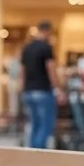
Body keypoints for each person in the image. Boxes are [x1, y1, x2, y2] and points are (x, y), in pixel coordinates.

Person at [20, 21, 59, 150]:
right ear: (47, 31)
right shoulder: (46, 48)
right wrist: (58, 88)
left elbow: (23, 71)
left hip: (28, 91)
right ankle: (40, 151)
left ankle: (32, 151)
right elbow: (51, 69)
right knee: (46, 123)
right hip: (42, 90)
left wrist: (23, 89)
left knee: (34, 123)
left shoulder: (27, 48)